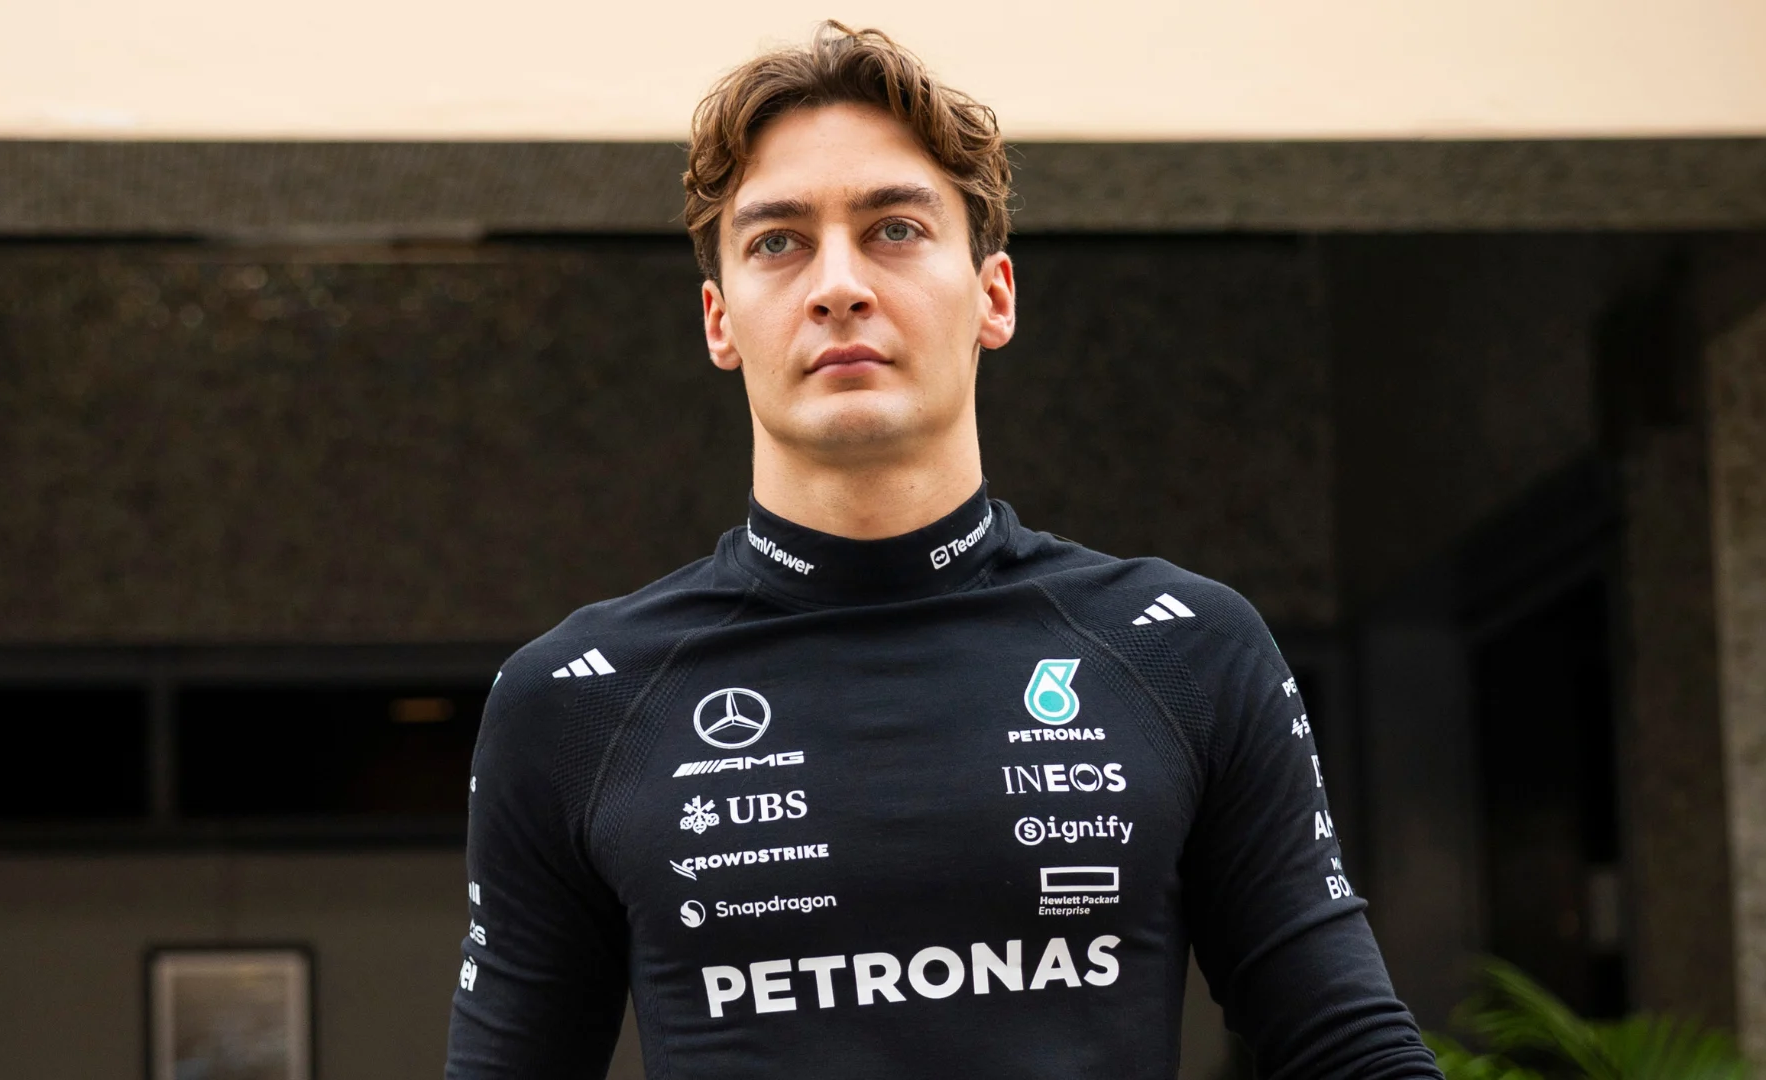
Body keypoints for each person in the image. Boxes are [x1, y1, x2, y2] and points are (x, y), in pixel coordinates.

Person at [446, 21, 1441, 1080]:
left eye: (895, 229)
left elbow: (1347, 1049)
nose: (838, 285)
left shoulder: (1184, 649)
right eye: (777, 241)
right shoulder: (575, 699)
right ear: (719, 320)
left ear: (993, 296)